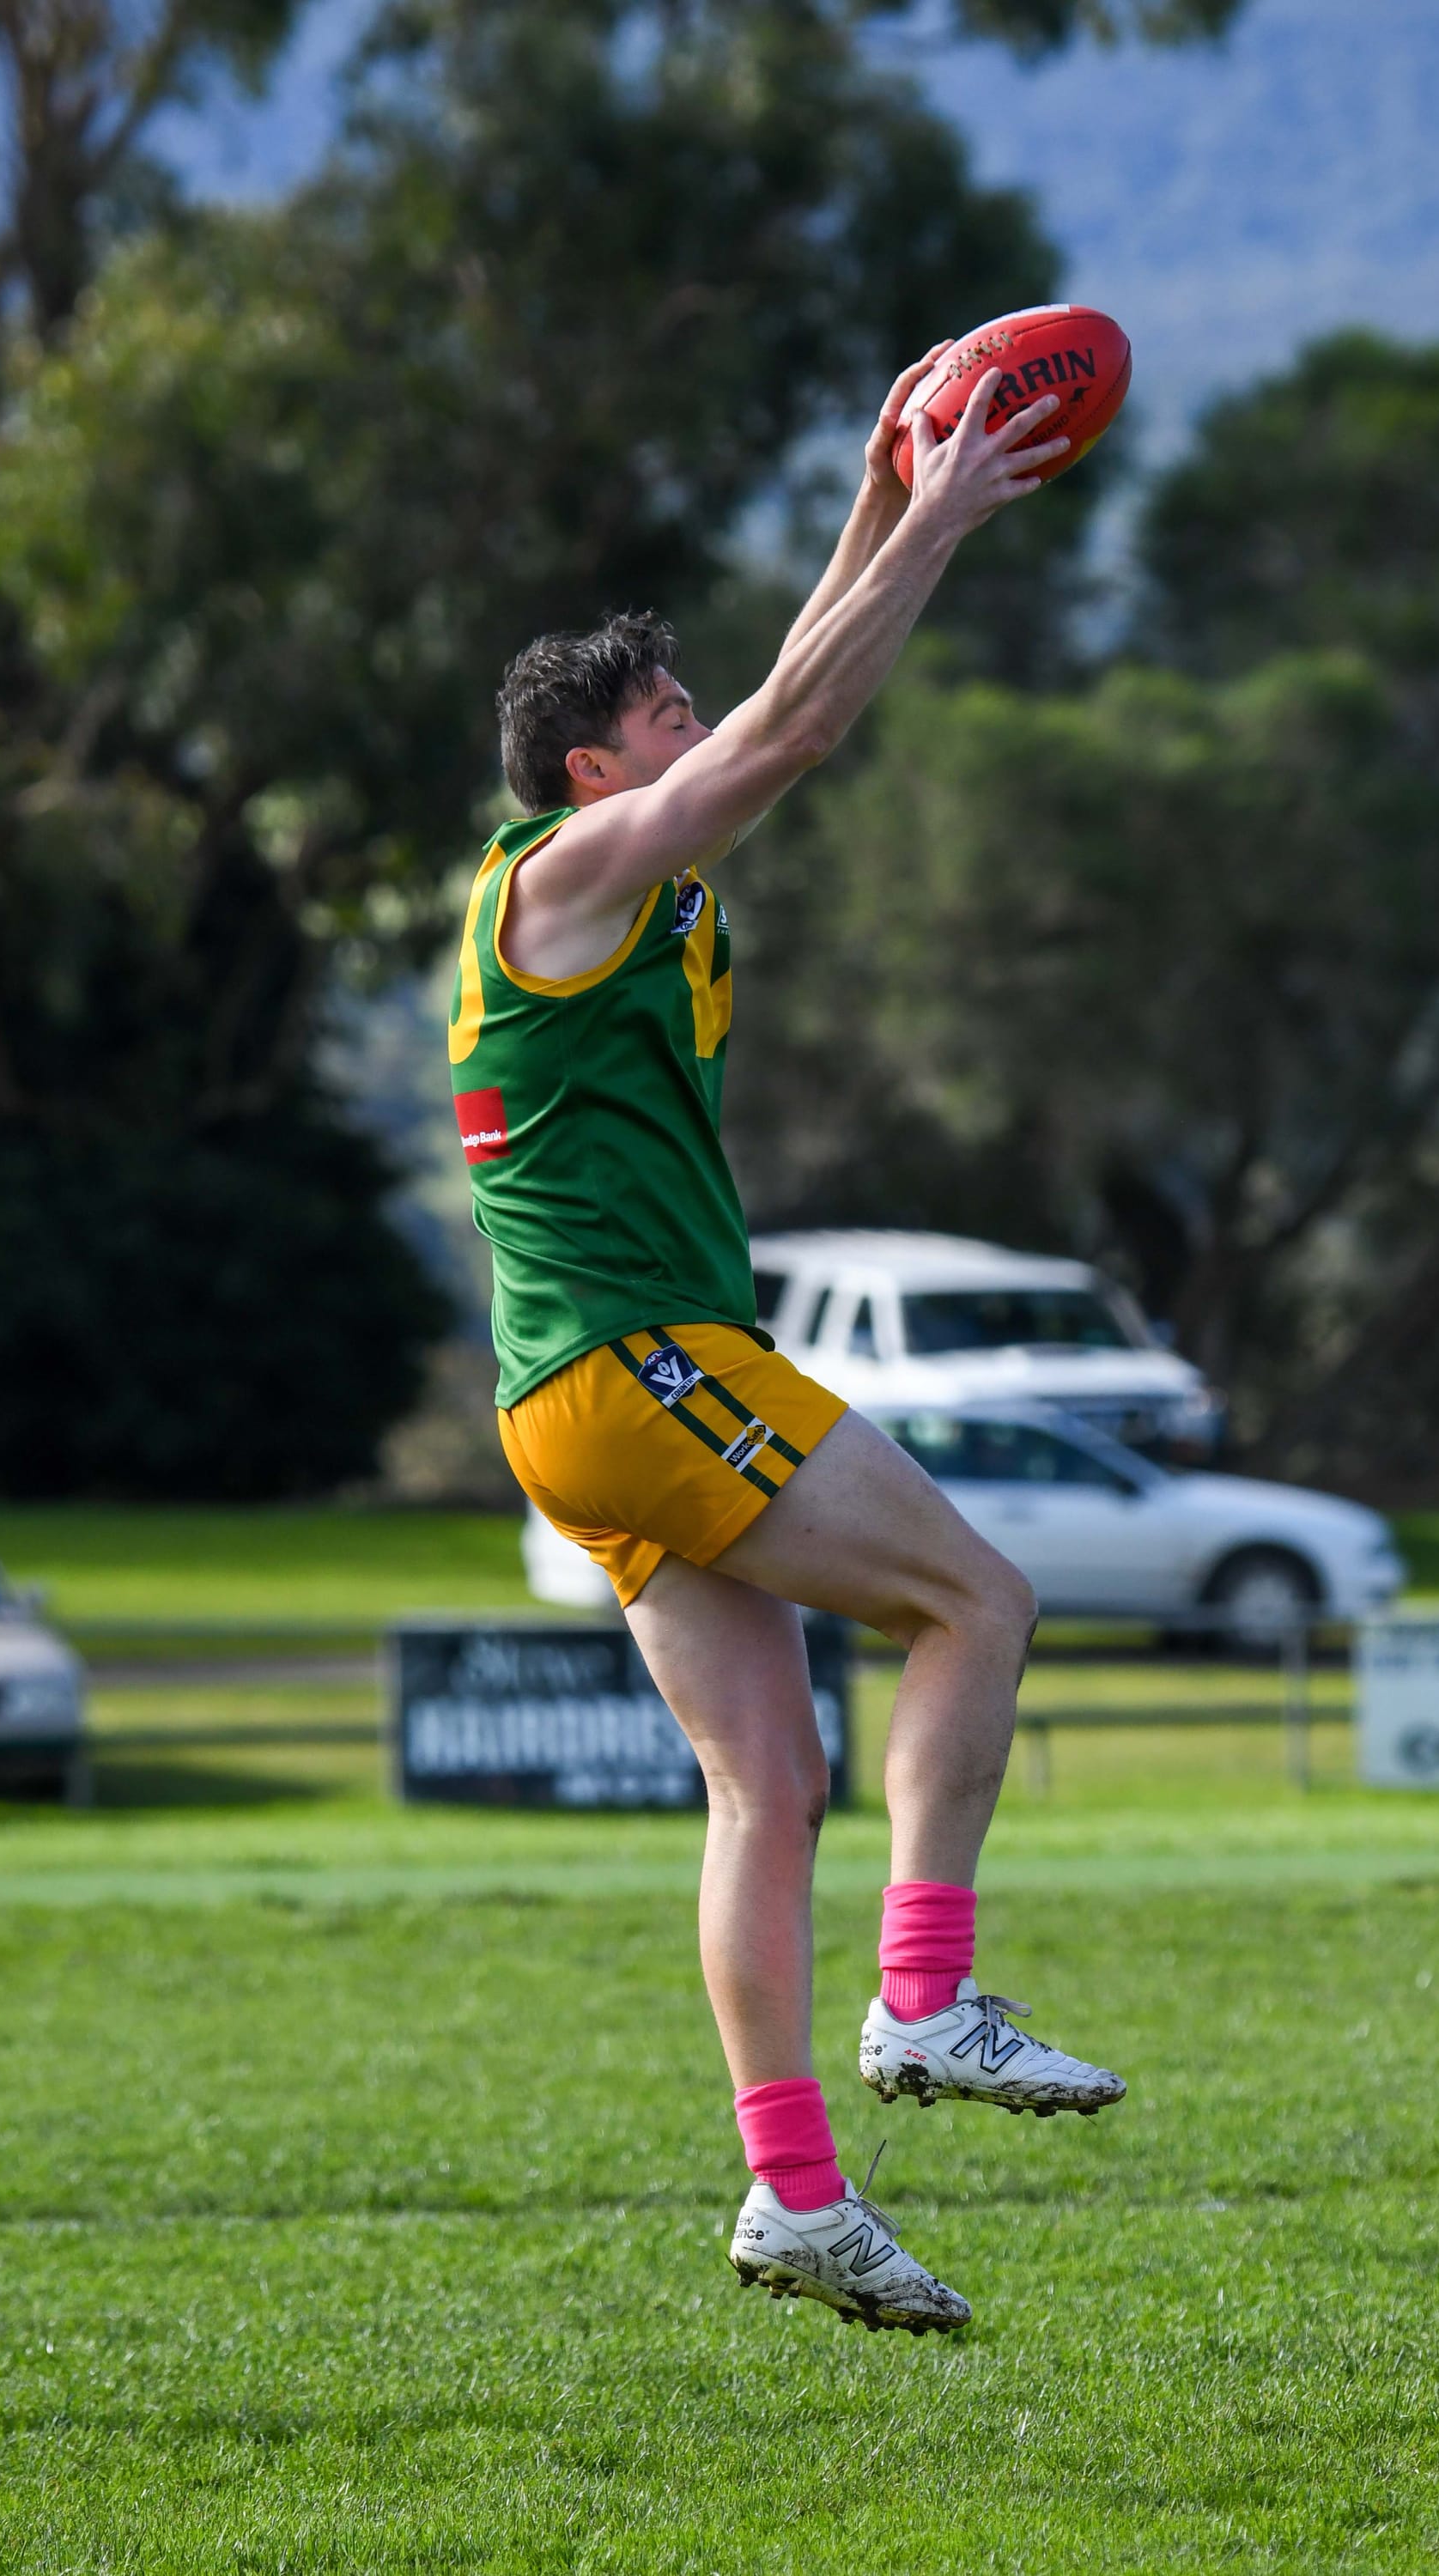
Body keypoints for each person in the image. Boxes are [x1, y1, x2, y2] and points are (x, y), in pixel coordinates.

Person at [451, 350, 1124, 2335]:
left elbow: (776, 694)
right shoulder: (568, 881)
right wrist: (948, 514)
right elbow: (800, 724)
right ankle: (926, 2000)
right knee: (980, 1601)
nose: (699, 723)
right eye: (659, 718)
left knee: (771, 1788)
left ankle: (795, 2199)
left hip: (571, 1401)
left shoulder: (624, 874)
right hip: (634, 1364)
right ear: (594, 774)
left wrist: (869, 498)